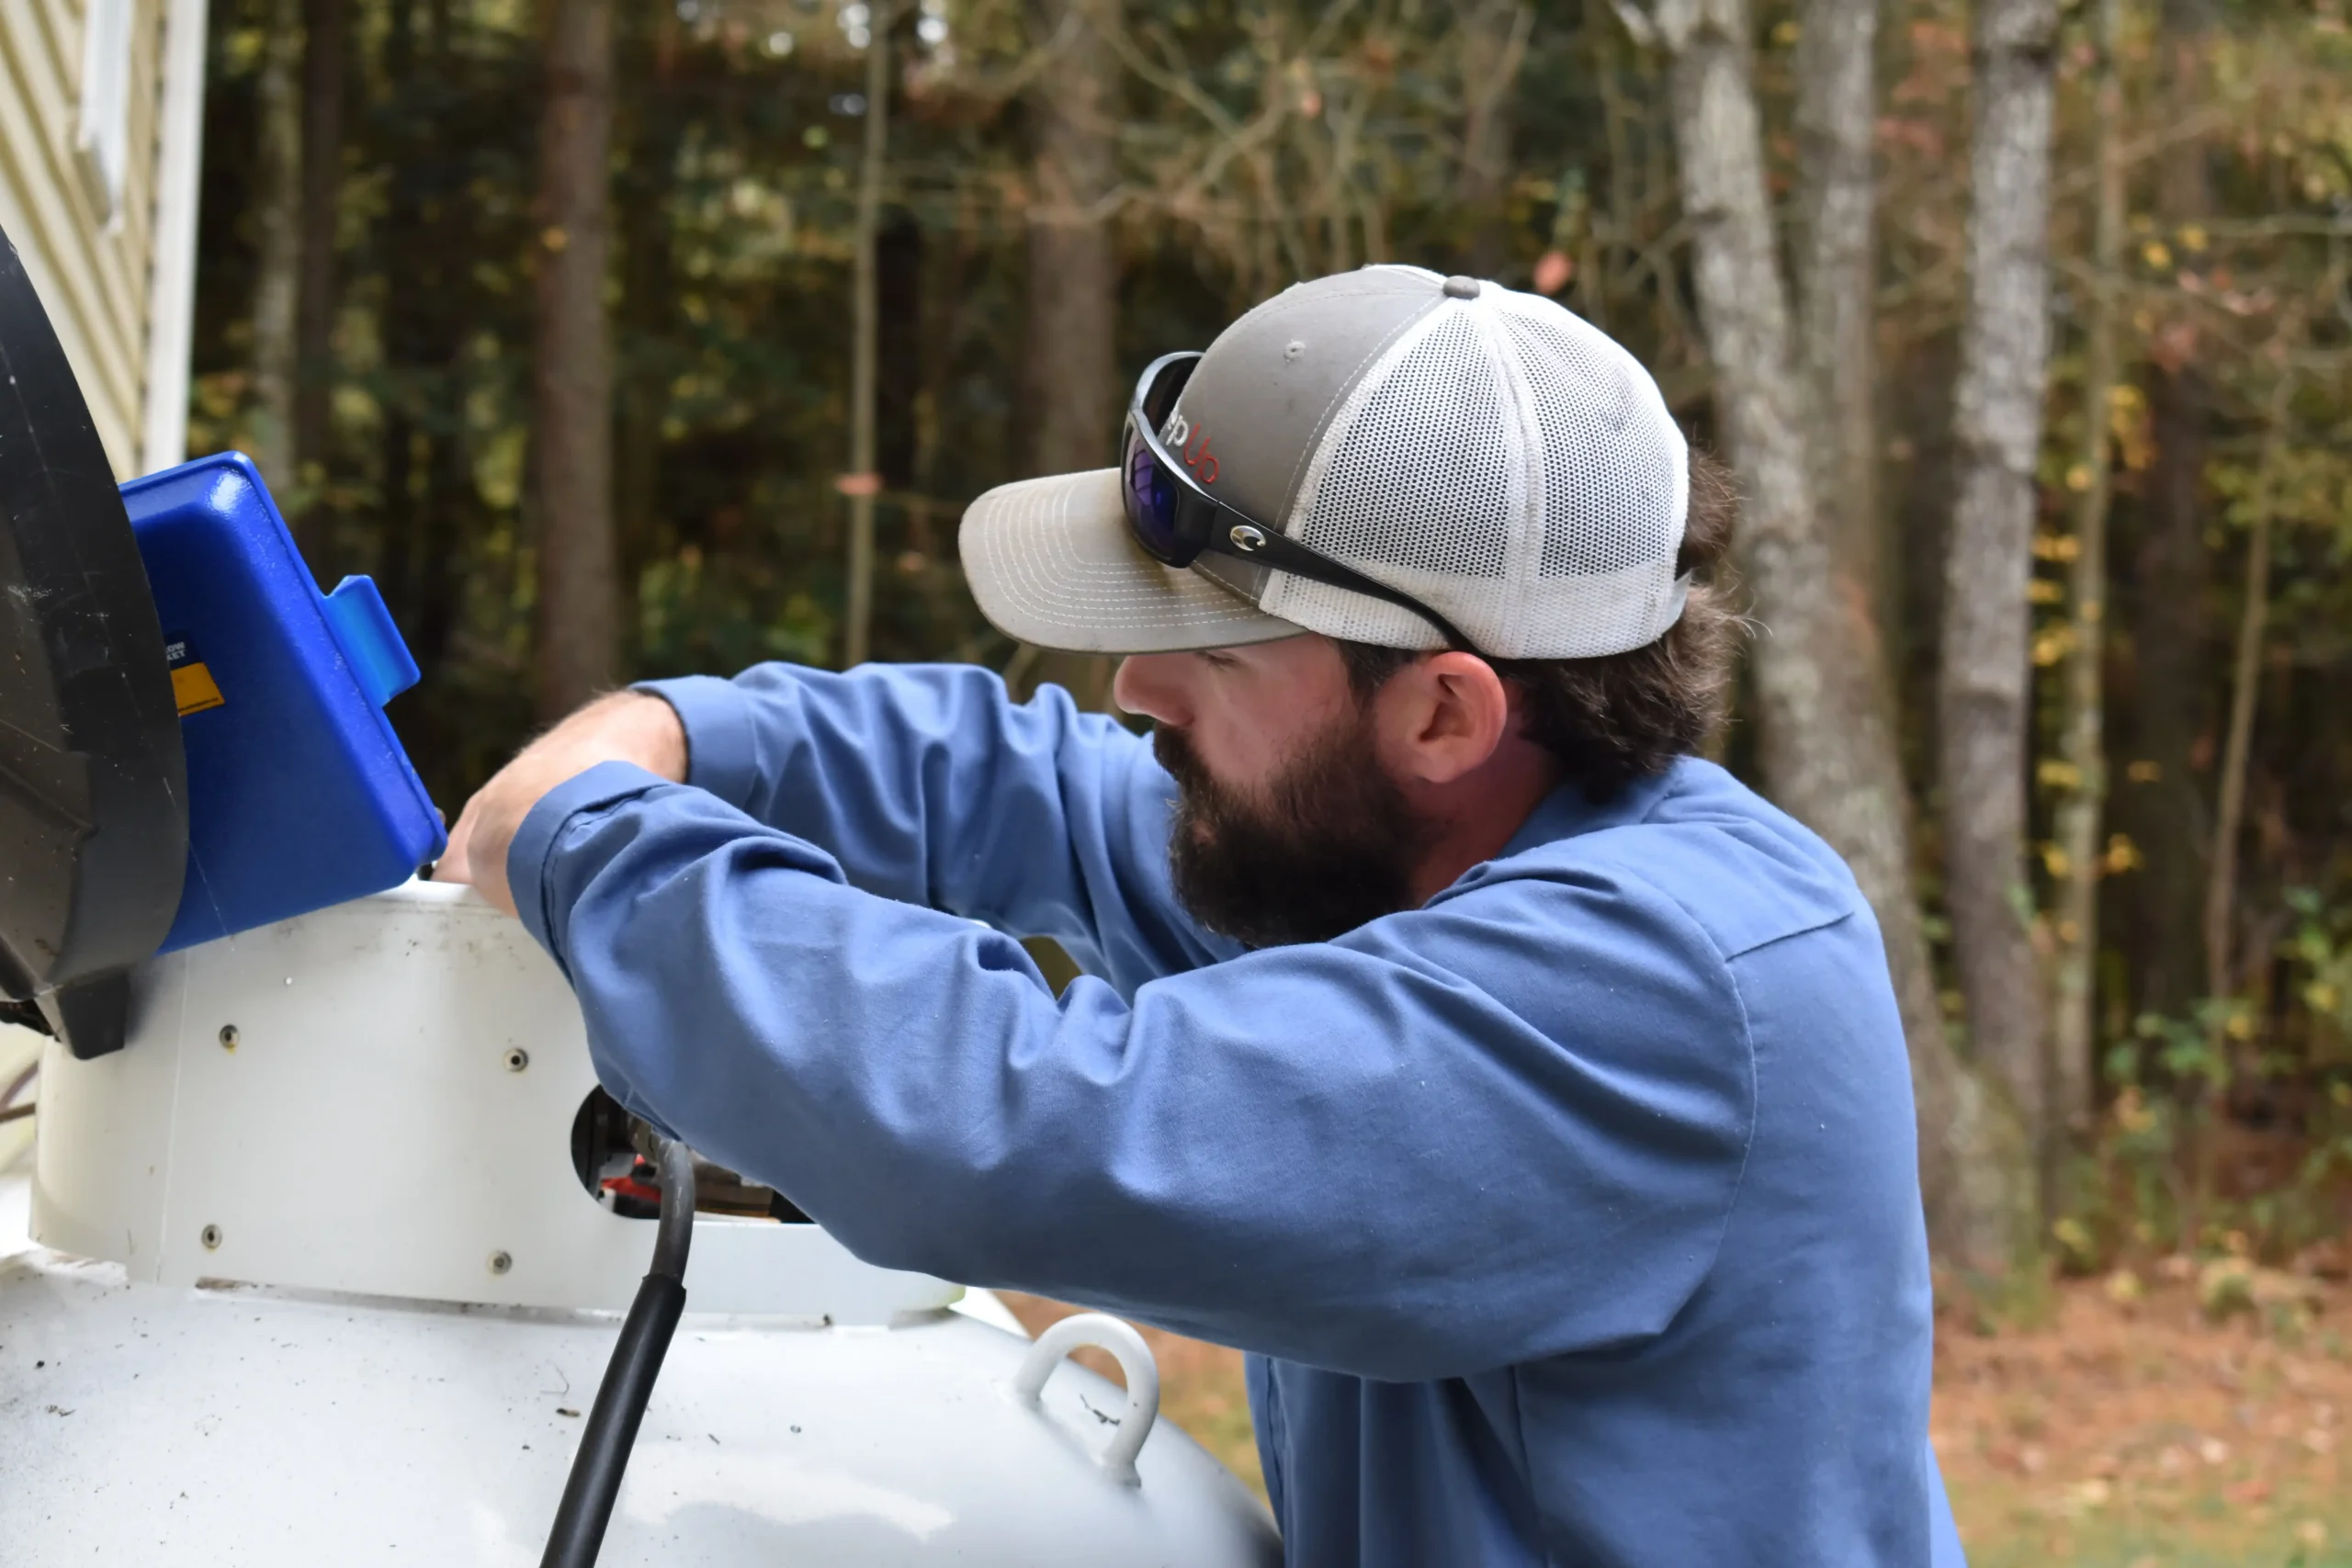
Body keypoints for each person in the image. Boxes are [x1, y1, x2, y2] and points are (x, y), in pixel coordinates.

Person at [440, 265, 1968, 1566]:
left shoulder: (1650, 987)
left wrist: (596, 846)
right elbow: (1022, 781)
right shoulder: (1376, 850)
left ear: (1444, 712)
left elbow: (1023, 1126)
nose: (1133, 689)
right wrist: (670, 734)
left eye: (1213, 657)